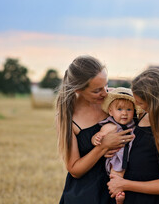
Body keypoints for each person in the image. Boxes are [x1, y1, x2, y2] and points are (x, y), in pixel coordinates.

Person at [56, 55, 134, 204]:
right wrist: (104, 146)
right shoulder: (68, 116)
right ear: (78, 89)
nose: (105, 93)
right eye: (97, 90)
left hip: (119, 192)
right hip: (87, 196)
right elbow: (74, 169)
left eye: (106, 85)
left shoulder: (116, 100)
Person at [107, 68, 159, 204]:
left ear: (154, 102)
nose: (136, 106)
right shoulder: (143, 115)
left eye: (139, 102)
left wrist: (124, 184)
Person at [91, 87, 142, 204]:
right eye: (119, 109)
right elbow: (98, 136)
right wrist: (96, 138)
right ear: (110, 111)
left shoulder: (134, 126)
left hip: (131, 161)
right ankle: (118, 198)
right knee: (116, 176)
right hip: (116, 161)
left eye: (129, 109)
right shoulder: (109, 126)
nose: (124, 113)